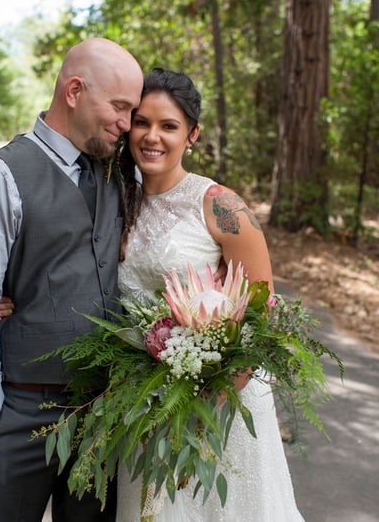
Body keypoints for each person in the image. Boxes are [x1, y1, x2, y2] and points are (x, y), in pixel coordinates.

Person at [0, 37, 144, 522]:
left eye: (132, 111)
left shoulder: (119, 173)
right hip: (18, 414)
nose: (127, 124)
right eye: (119, 107)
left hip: (100, 415)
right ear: (74, 90)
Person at [115, 68, 304, 521]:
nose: (151, 137)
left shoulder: (220, 204)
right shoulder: (116, 198)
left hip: (215, 403)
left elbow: (264, 315)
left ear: (192, 134)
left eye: (168, 126)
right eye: (141, 122)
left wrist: (204, 406)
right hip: (140, 401)